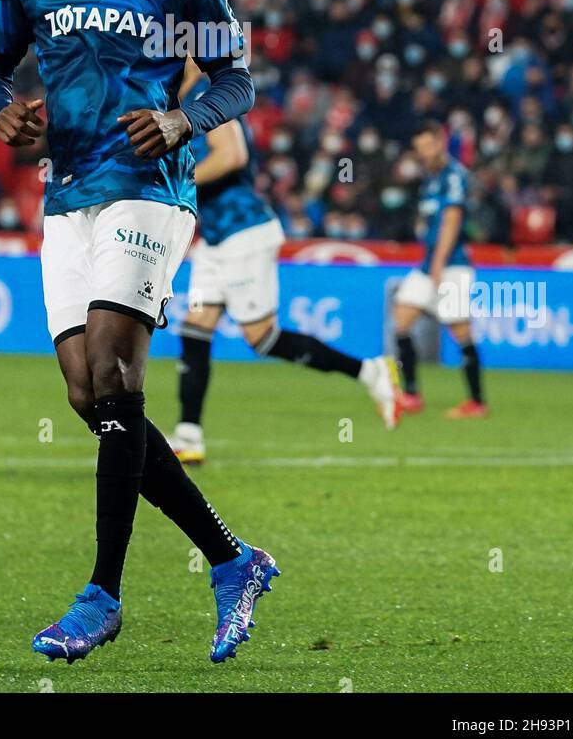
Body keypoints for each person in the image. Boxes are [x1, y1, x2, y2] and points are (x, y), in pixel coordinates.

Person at [0, 0, 278, 666]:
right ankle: (232, 559)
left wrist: (183, 117)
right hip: (66, 195)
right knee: (89, 396)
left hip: (151, 191)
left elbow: (235, 79)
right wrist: (0, 110)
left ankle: (102, 594)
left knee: (114, 371)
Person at [170, 57, 402, 464]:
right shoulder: (181, 102)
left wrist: (179, 183)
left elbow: (231, 156)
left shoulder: (207, 97)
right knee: (195, 328)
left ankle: (371, 371)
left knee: (263, 338)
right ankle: (190, 435)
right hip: (217, 239)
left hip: (244, 233)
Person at [392, 119, 488, 418]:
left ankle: (476, 402)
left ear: (441, 142)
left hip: (452, 265)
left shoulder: (454, 176)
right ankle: (411, 394)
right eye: (419, 148)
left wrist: (437, 265)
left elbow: (451, 220)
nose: (424, 153)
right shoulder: (430, 179)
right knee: (402, 317)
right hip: (429, 263)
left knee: (460, 331)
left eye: (428, 145)